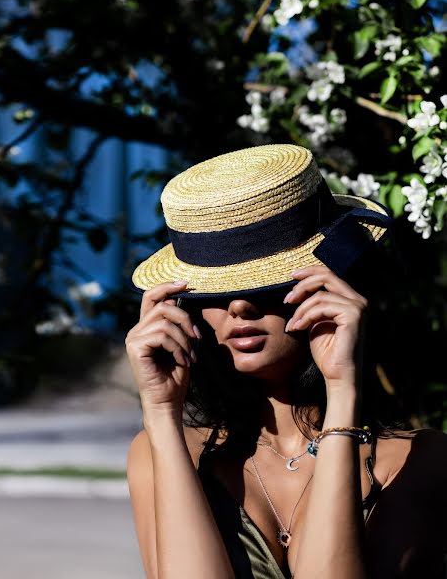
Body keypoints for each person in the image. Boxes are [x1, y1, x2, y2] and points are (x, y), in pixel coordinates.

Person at [125, 144, 447, 579]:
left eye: (266, 284)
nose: (238, 307)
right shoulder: (163, 449)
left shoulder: (419, 460)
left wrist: (342, 389)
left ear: (335, 286)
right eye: (213, 293)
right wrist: (162, 413)